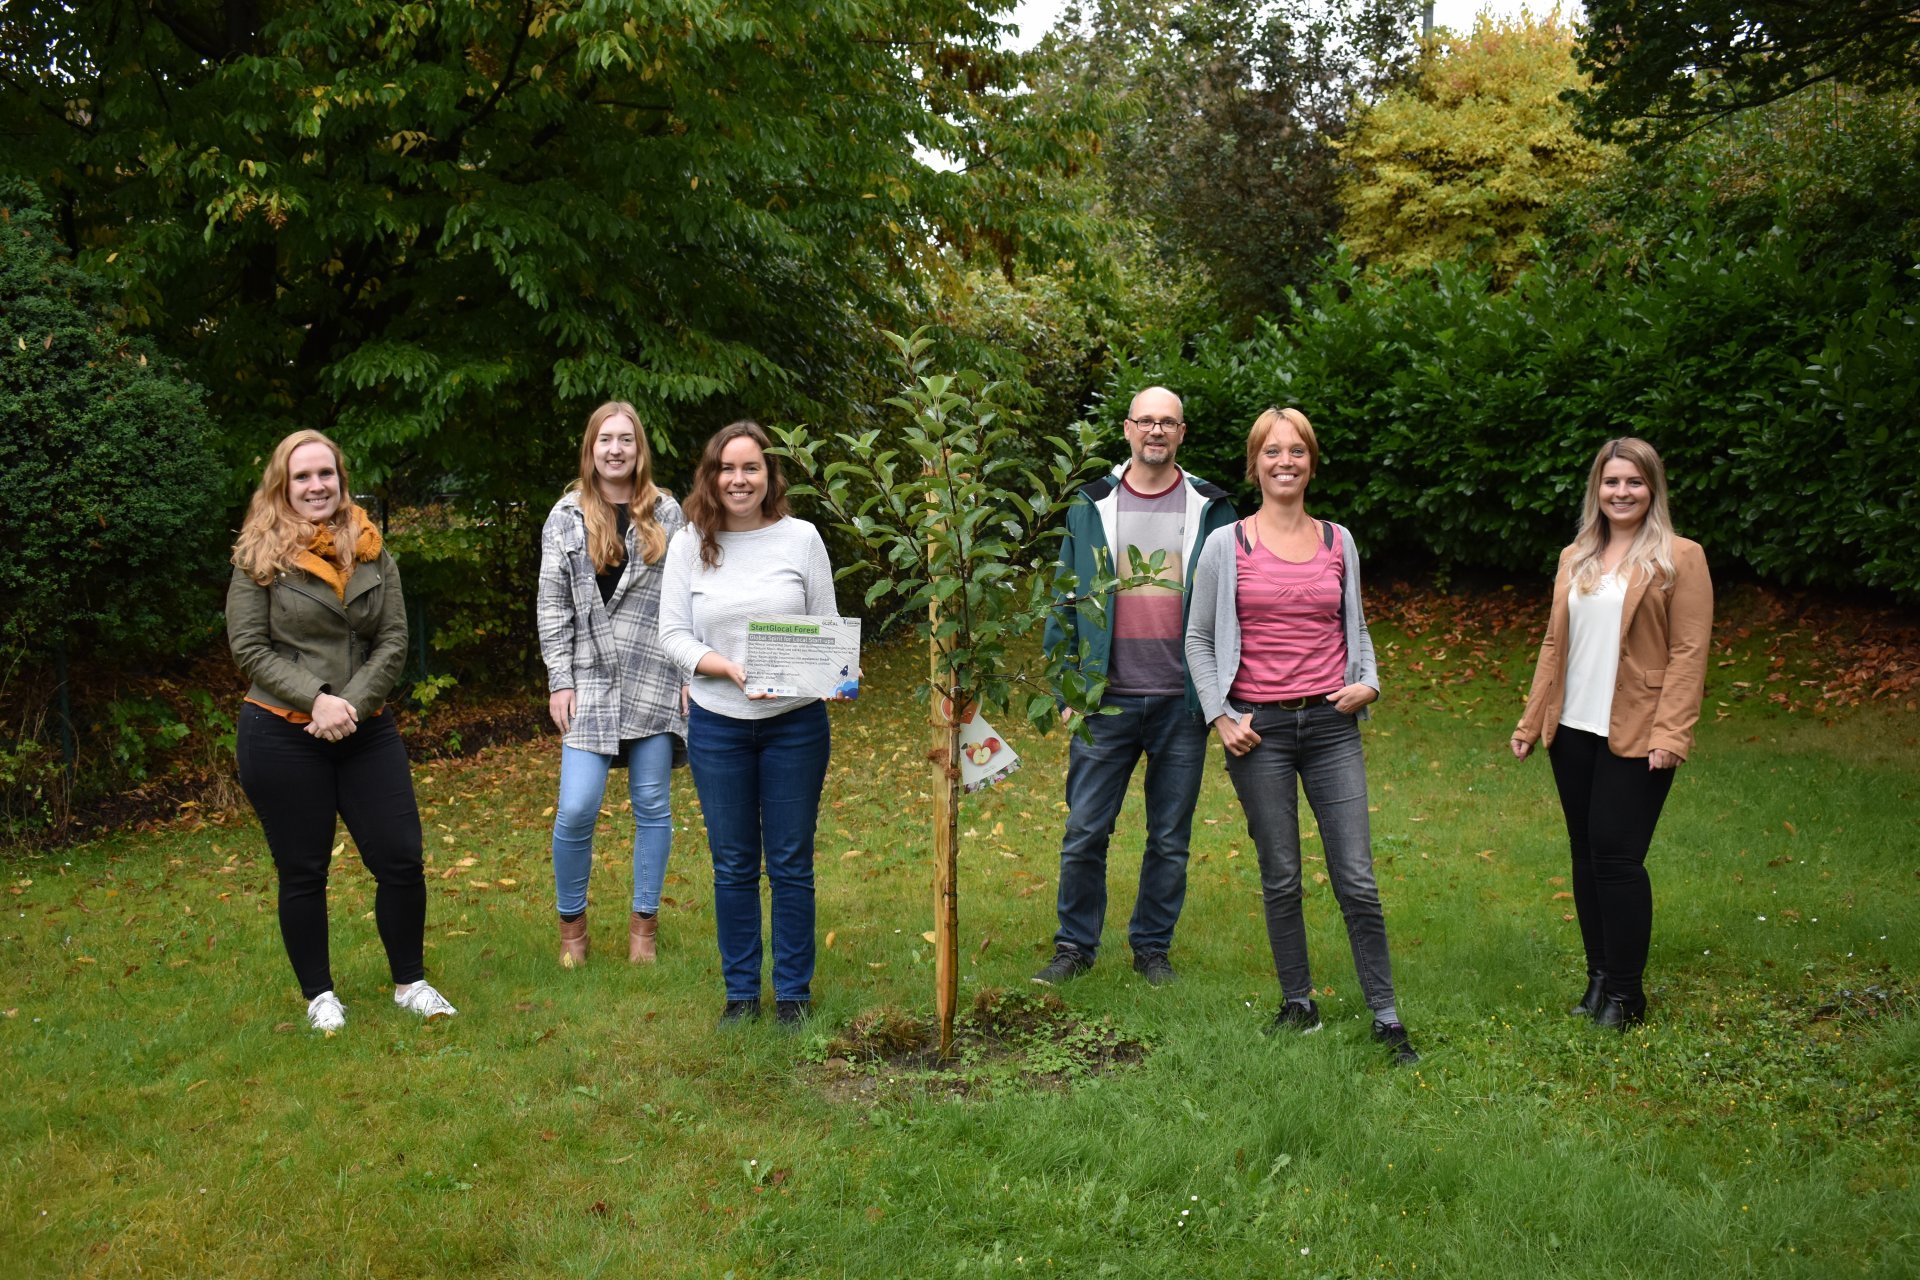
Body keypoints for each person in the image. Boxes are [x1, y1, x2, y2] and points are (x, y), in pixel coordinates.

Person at [1186, 407, 1417, 1065]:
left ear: (1311, 463)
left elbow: (1356, 627)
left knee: (1357, 878)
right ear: (1254, 463)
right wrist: (1220, 716)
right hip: (1258, 731)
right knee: (1282, 874)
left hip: (1330, 727)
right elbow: (1198, 639)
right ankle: (1298, 1005)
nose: (1284, 462)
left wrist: (1369, 682)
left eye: (1297, 451)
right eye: (1272, 451)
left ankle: (1386, 1016)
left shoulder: (1339, 541)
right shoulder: (1226, 545)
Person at [226, 430, 456, 1033]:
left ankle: (410, 984)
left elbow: (394, 640)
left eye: (325, 474)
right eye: (302, 477)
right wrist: (316, 700)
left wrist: (348, 704)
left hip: (365, 726)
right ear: (282, 485)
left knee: (401, 858)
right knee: (304, 871)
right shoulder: (258, 554)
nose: (316, 486)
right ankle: (320, 996)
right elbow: (249, 647)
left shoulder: (371, 548)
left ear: (341, 479)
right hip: (281, 731)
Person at [1034, 386, 1237, 987]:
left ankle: (1152, 948)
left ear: (1182, 433)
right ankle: (1074, 946)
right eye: (1146, 420)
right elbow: (1064, 598)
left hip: (1183, 700)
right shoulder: (1091, 504)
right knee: (1084, 832)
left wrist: (1225, 694)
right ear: (1126, 429)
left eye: (1167, 422)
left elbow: (1234, 605)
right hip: (1105, 699)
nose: (1156, 430)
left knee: (1169, 838)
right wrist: (1067, 690)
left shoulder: (1211, 507)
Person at [1511, 438, 1712, 1029]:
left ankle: (1627, 995)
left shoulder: (1680, 557)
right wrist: (1531, 720)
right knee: (1585, 855)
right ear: (1596, 489)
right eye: (1611, 481)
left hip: (1639, 730)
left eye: (1634, 482)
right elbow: (1555, 643)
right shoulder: (1575, 556)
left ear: (1653, 488)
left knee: (1618, 860)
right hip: (1573, 728)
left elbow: (1689, 651)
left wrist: (1671, 734)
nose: (1622, 493)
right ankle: (1598, 976)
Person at [658, 421, 840, 1027]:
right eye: (727, 469)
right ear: (711, 477)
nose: (739, 480)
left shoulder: (802, 538)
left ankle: (793, 996)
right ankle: (740, 996)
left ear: (770, 475)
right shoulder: (689, 543)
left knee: (791, 862)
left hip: (795, 726)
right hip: (719, 726)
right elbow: (672, 635)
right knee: (733, 864)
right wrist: (727, 669)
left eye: (751, 468)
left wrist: (834, 669)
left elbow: (826, 628)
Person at [536, 402, 688, 968]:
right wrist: (559, 680)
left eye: (626, 439)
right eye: (606, 439)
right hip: (589, 677)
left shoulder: (667, 512)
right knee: (577, 807)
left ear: (639, 449)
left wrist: (688, 672)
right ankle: (572, 929)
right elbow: (552, 604)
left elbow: (687, 597)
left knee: (652, 804)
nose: (616, 449)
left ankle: (643, 927)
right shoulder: (566, 516)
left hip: (654, 671)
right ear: (591, 448)